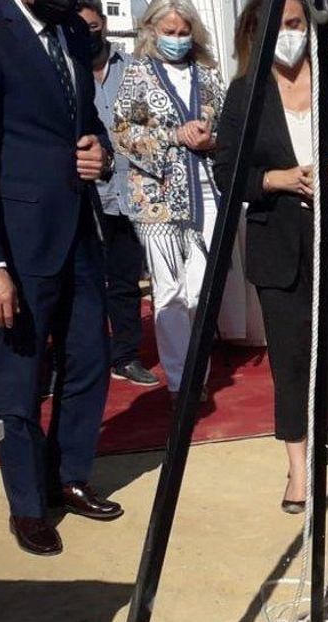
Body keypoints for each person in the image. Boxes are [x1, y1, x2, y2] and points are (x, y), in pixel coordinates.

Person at [0, 0, 122, 556]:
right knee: (19, 377)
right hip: (16, 245)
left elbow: (83, 120)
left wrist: (101, 151)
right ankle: (27, 505)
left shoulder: (70, 29)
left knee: (89, 360)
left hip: (78, 232)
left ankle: (68, 476)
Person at [213, 0, 328, 513]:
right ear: (257, 32)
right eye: (277, 25)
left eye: (294, 23)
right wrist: (276, 179)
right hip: (280, 244)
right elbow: (228, 173)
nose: (287, 34)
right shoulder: (246, 92)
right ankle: (298, 469)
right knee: (291, 358)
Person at [113, 0, 225, 395]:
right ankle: (183, 383)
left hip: (206, 191)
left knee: (202, 287)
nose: (177, 39)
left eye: (183, 33)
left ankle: (198, 367)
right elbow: (122, 132)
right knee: (169, 291)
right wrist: (173, 136)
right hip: (156, 196)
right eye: (169, 32)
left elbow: (230, 126)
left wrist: (213, 140)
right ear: (152, 31)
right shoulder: (137, 73)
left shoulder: (208, 74)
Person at [77, 0, 159, 389]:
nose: (88, 35)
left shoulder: (136, 70)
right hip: (86, 194)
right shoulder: (66, 71)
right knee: (85, 282)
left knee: (126, 279)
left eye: (93, 27)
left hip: (133, 191)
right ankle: (81, 357)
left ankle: (125, 356)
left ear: (105, 24)